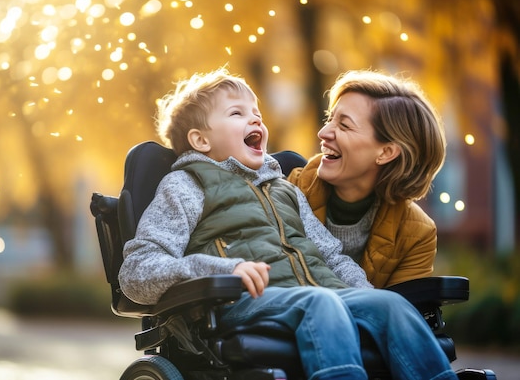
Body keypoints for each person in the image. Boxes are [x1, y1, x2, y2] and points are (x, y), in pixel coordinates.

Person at [118, 67, 458, 380]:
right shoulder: (186, 186)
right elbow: (137, 271)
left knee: (390, 304)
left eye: (257, 114)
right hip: (240, 303)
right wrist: (219, 269)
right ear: (201, 140)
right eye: (237, 113)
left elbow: (332, 256)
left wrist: (364, 295)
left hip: (316, 297)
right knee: (321, 303)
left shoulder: (286, 190)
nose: (255, 121)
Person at [288, 70, 446, 288]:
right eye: (329, 119)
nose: (323, 132)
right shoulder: (283, 192)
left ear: (386, 153)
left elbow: (396, 316)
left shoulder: (416, 235)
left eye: (344, 125)